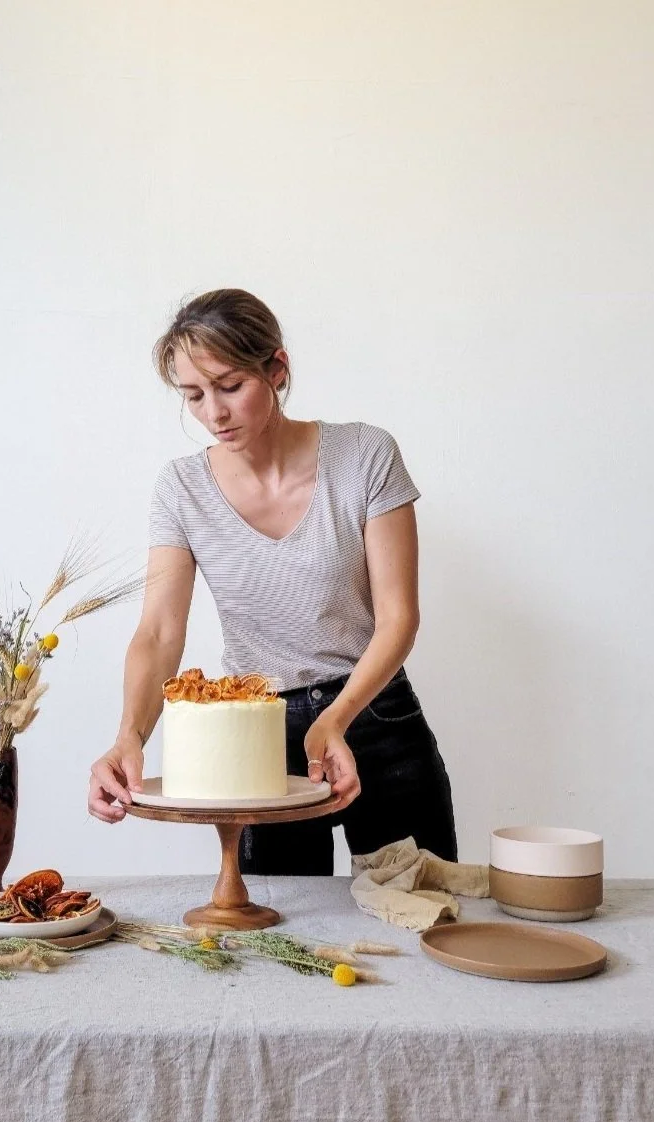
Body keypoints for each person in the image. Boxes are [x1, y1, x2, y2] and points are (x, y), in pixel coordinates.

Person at [87, 288, 457, 873]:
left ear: (277, 368)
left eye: (230, 385)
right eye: (194, 395)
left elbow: (398, 617)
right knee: (277, 934)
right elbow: (159, 632)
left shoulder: (364, 455)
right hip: (257, 739)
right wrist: (129, 735)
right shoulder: (181, 488)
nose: (214, 413)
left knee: (424, 908)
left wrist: (336, 719)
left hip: (376, 718)